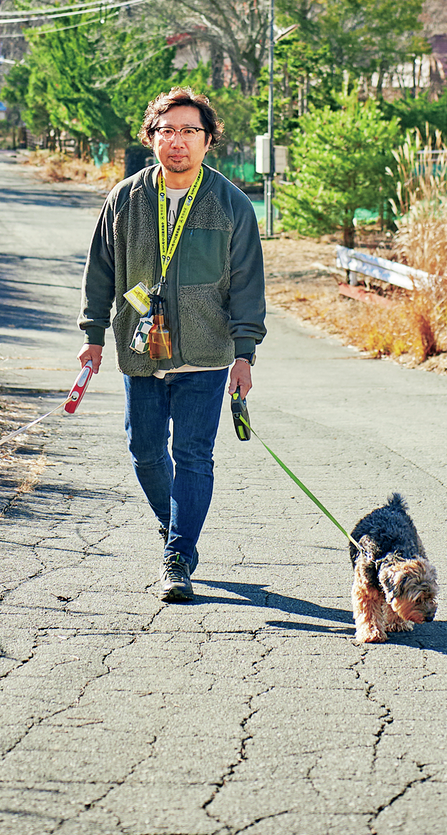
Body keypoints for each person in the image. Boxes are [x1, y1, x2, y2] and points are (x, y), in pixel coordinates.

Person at [78, 87, 266, 602]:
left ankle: (178, 554)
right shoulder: (125, 198)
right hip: (140, 350)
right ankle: (177, 526)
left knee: (193, 454)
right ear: (151, 138)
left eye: (189, 131)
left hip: (205, 354)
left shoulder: (232, 204)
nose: (177, 141)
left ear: (208, 142)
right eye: (167, 131)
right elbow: (100, 271)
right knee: (143, 450)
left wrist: (245, 353)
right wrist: (92, 335)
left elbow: (248, 286)